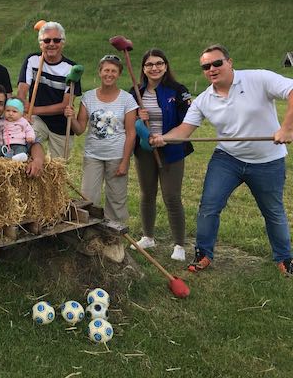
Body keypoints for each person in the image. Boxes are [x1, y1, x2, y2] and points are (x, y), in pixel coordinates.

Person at [150, 44, 293, 276]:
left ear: (230, 62)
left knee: (273, 212)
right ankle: (203, 254)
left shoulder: (258, 78)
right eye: (206, 66)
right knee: (209, 206)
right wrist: (163, 139)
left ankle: (285, 259)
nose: (212, 69)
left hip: (268, 160)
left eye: (217, 63)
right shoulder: (203, 100)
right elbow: (184, 131)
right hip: (228, 159)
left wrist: (287, 127)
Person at [130, 49, 193, 261]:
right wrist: (138, 117)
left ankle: (179, 245)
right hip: (145, 150)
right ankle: (148, 236)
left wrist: (166, 137)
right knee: (147, 194)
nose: (154, 68)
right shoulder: (135, 91)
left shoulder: (177, 90)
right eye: (149, 64)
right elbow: (126, 122)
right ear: (143, 68)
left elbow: (188, 121)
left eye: (159, 63)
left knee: (172, 196)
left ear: (165, 66)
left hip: (172, 149)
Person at [65, 55, 138, 222]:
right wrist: (71, 117)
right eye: (106, 70)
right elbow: (79, 129)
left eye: (114, 71)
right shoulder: (88, 97)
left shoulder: (127, 99)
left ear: (119, 74)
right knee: (88, 198)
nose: (109, 74)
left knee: (116, 200)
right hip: (93, 156)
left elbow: (131, 133)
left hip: (116, 156)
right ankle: (91, 234)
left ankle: (114, 236)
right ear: (100, 72)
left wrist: (125, 162)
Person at [17, 21, 81, 158]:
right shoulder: (32, 60)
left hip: (61, 125)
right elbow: (22, 89)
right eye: (47, 40)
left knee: (58, 169)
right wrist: (23, 109)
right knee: (24, 148)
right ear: (41, 43)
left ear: (62, 42)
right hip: (36, 120)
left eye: (56, 40)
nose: (51, 44)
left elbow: (65, 105)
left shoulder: (71, 68)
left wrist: (33, 109)